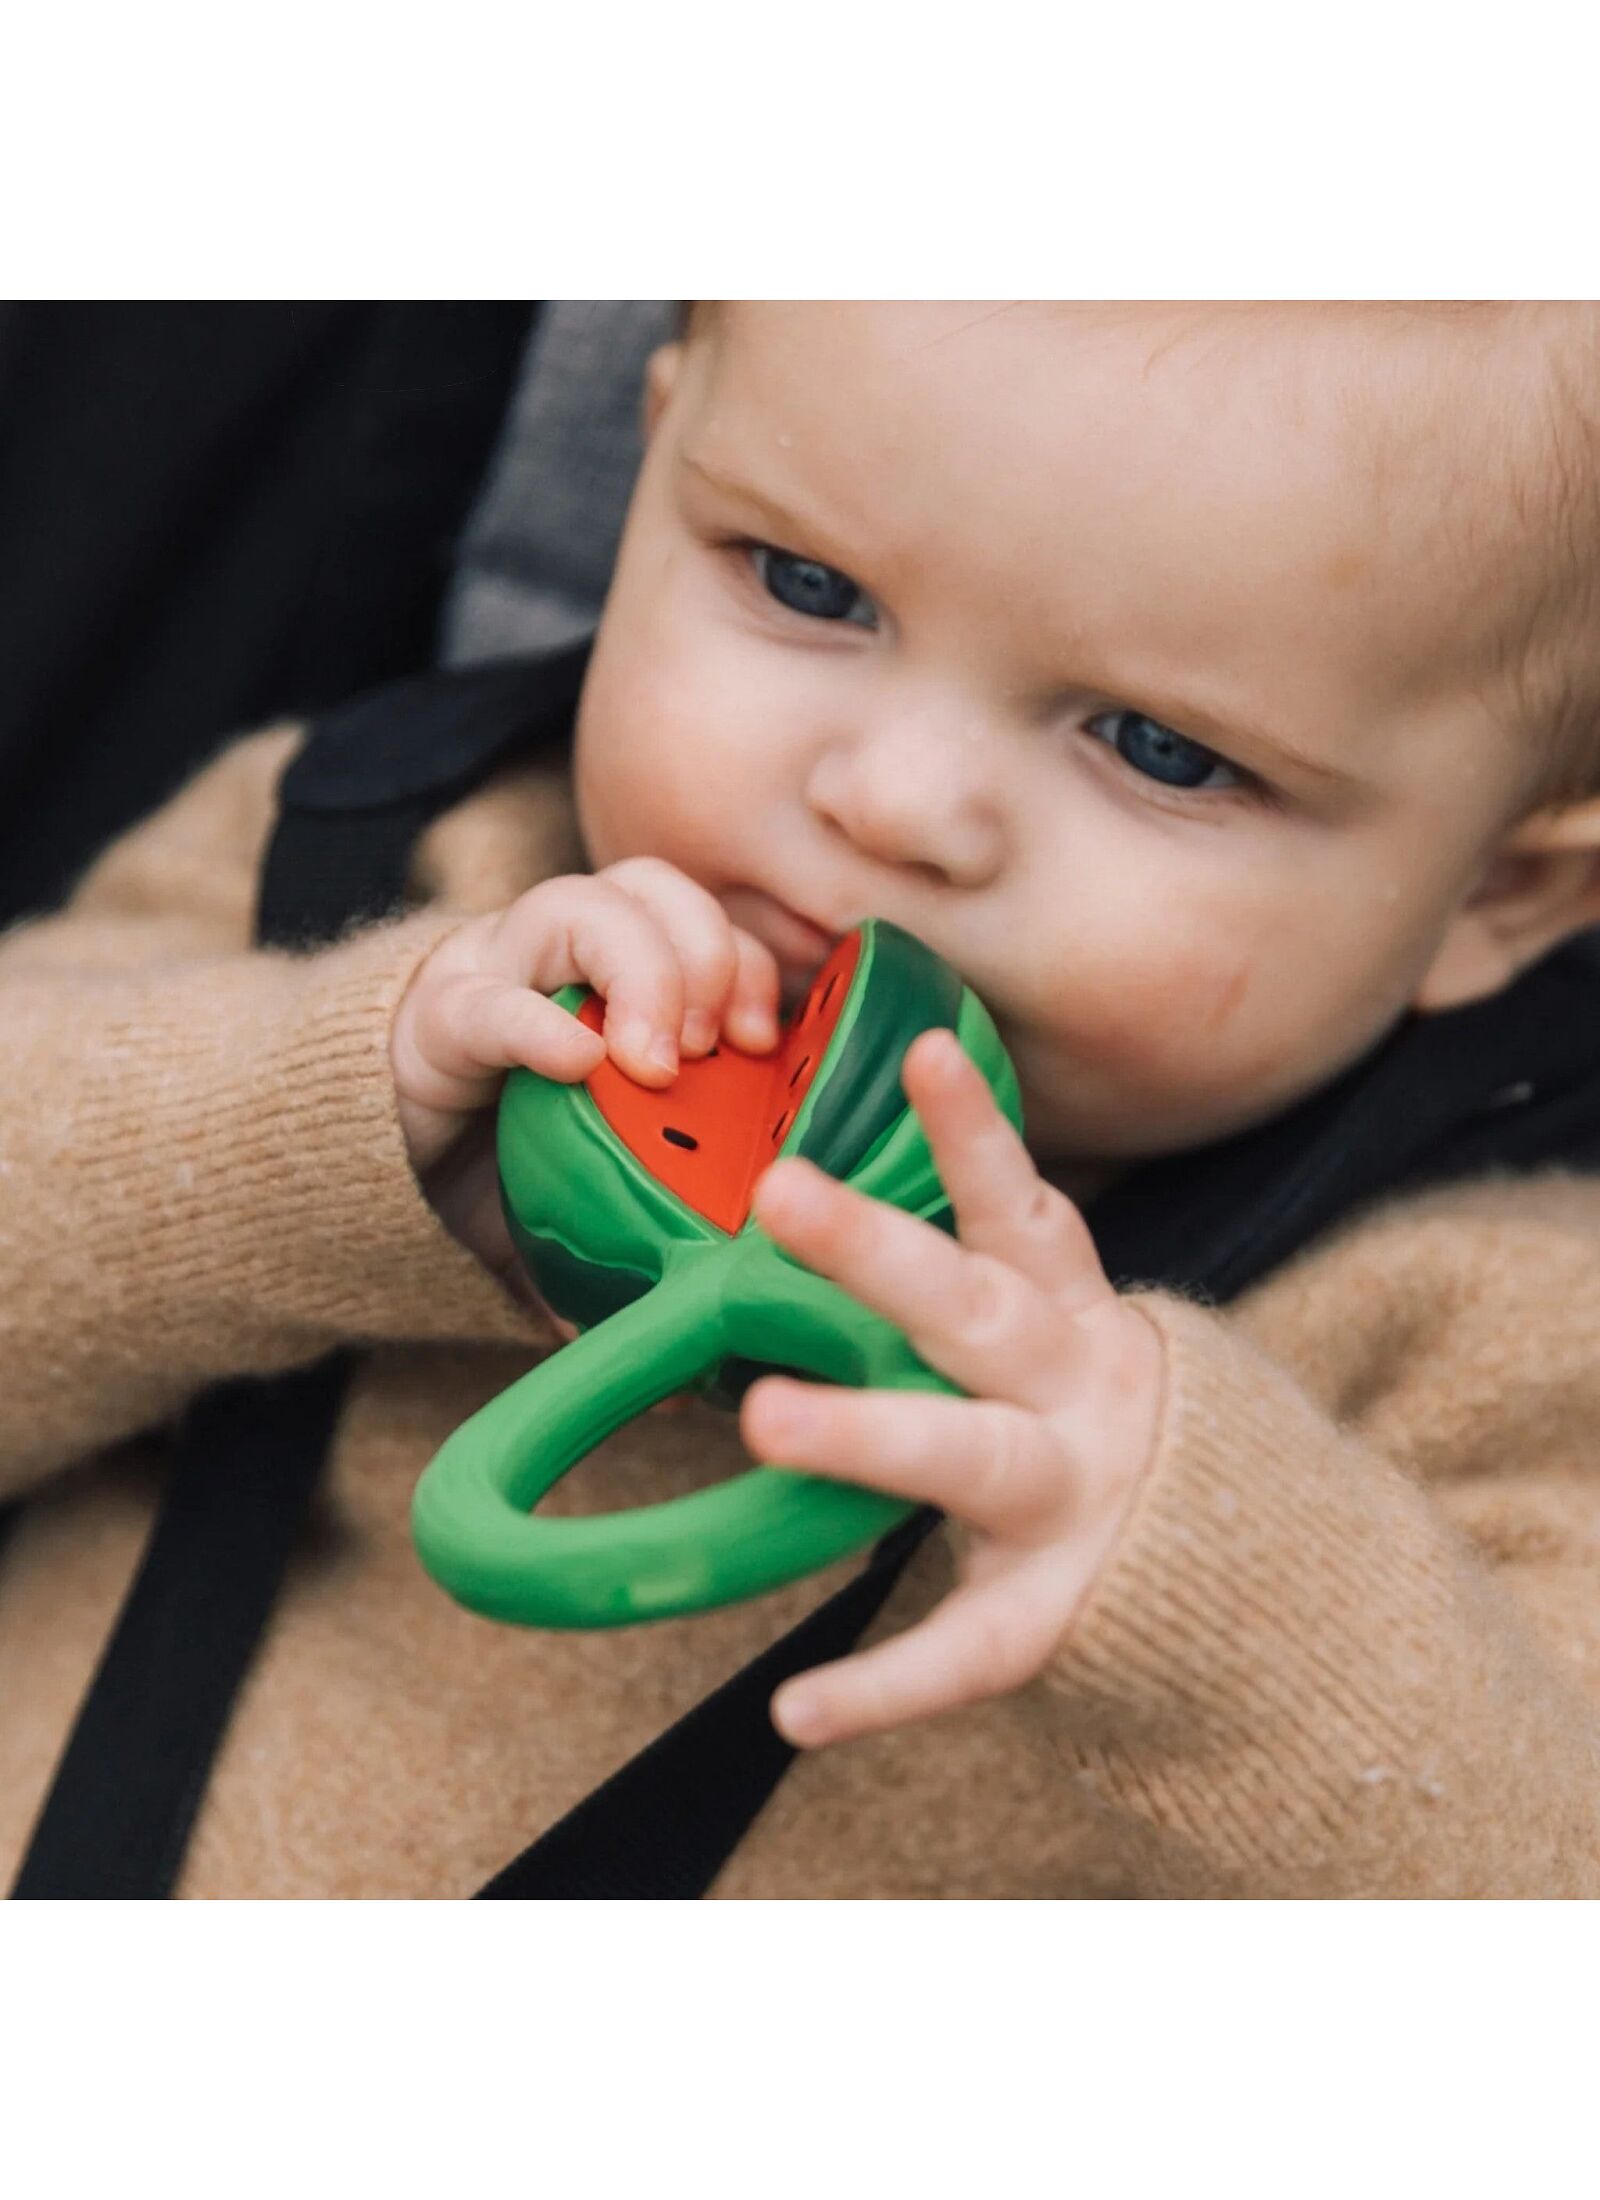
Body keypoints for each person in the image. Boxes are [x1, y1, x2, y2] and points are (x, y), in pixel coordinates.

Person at [4, 300, 1600, 1896]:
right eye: (807, 584)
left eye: (1162, 750)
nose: (891, 804)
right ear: (651, 465)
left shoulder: (1488, 1328)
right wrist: (313, 1124)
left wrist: (1239, 1605)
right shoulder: (369, 874)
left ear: (1502, 893)